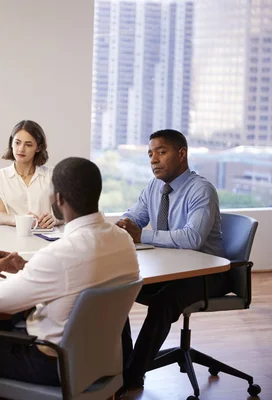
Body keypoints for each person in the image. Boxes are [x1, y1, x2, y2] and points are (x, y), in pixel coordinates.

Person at [0, 157, 140, 399]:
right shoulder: (122, 241)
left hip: (51, 363)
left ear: (57, 198)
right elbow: (78, 276)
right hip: (99, 357)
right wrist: (29, 268)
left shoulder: (60, 254)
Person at [116, 129, 229, 393]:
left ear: (182, 154)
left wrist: (140, 234)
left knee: (164, 302)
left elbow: (192, 239)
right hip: (172, 270)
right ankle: (123, 366)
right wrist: (123, 225)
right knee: (116, 288)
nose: (154, 159)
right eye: (150, 154)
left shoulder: (201, 189)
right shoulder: (154, 187)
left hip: (208, 273)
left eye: (161, 152)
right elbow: (133, 217)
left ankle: (132, 376)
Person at [0, 120, 59, 228]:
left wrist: (55, 219)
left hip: (47, 239)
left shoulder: (52, 175)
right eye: (17, 143)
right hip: (12, 239)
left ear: (38, 148)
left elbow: (66, 213)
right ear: (11, 143)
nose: (21, 149)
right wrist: (22, 220)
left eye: (28, 145)